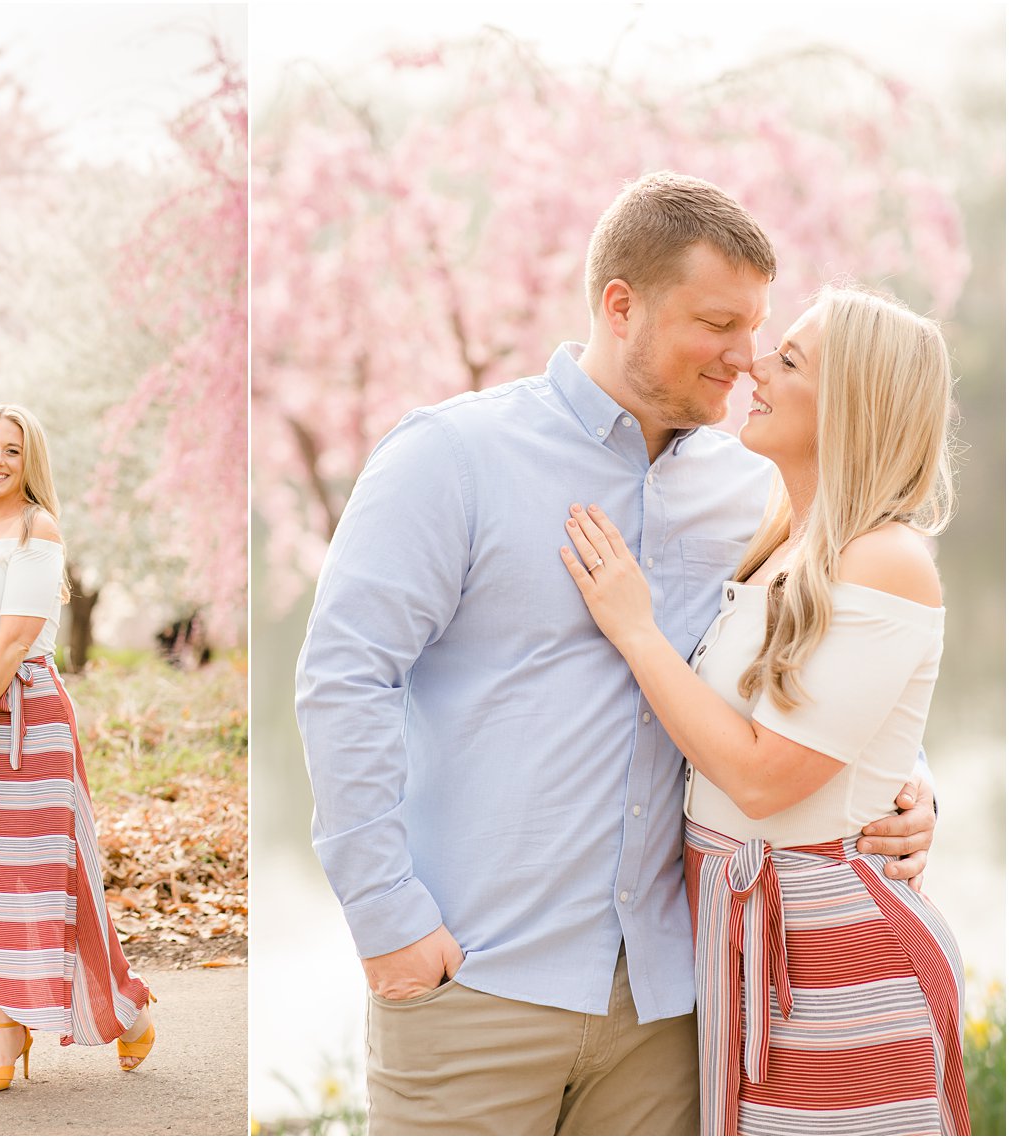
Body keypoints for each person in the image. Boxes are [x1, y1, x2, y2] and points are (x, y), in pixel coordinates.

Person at [295, 173, 938, 1136]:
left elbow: (818, 656)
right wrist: (390, 927)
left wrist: (909, 781)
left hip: (673, 1009)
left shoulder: (750, 490)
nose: (745, 355)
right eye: (718, 322)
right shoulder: (453, 455)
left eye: (757, 327)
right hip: (477, 981)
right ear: (621, 303)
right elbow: (345, 678)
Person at [559, 286, 966, 1135]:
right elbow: (848, 724)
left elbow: (760, 774)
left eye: (790, 359)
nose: (754, 364)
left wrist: (637, 632)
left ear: (851, 399)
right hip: (749, 936)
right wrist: (911, 774)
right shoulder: (786, 537)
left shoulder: (886, 558)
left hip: (833, 952)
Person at [0, 404, 155, 1093]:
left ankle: (124, 1006)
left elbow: (14, 640)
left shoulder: (38, 530)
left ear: (29, 461)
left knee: (43, 879)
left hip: (22, 722)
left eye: (11, 450)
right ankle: (9, 1029)